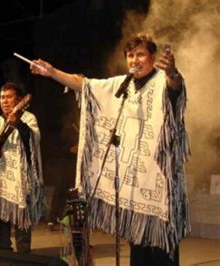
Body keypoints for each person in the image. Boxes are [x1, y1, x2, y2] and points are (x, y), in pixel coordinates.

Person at [30, 34, 189, 265]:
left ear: (153, 58)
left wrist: (172, 72)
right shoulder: (121, 85)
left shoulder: (162, 81)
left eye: (141, 54)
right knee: (139, 250)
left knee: (162, 251)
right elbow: (83, 84)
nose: (135, 60)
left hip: (160, 184)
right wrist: (52, 72)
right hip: (134, 188)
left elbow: (176, 87)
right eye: (130, 55)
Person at [0, 82, 45, 254]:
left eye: (9, 97)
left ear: (20, 100)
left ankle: (23, 254)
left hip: (19, 176)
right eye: (2, 97)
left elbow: (33, 140)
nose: (4, 101)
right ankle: (3, 249)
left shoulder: (28, 118)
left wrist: (18, 123)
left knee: (21, 216)